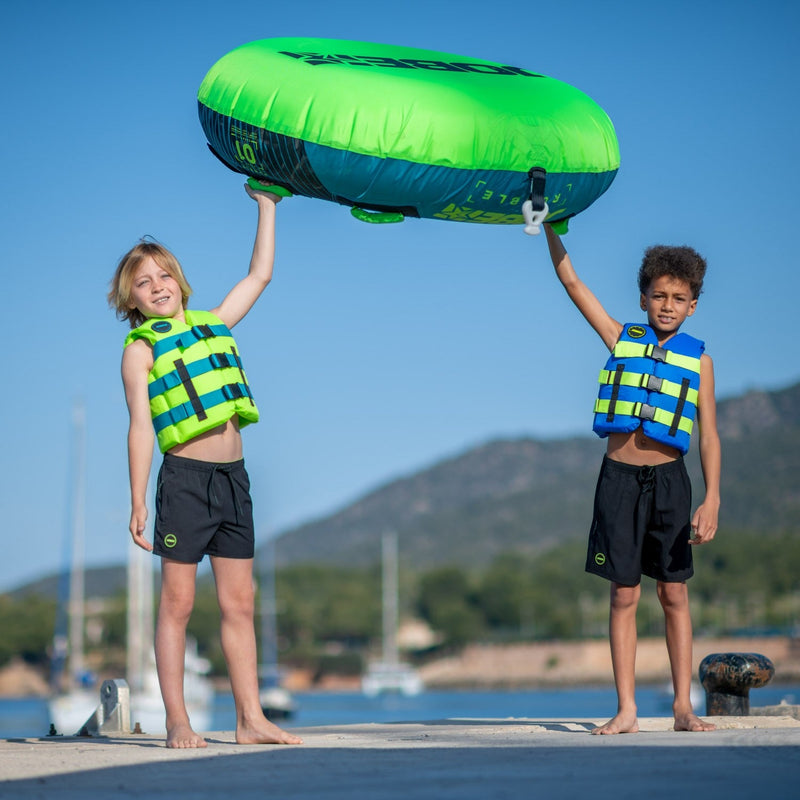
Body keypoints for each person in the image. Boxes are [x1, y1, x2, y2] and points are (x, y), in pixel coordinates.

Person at [108, 184, 303, 748]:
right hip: (186, 484)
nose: (157, 286)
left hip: (233, 481)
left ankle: (251, 719)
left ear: (179, 280)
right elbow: (140, 428)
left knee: (240, 603)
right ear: (130, 300)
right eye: (143, 283)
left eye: (163, 275)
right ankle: (178, 720)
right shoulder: (140, 351)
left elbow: (259, 275)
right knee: (178, 604)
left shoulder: (215, 322)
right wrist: (138, 500)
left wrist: (266, 207)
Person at [544, 224, 720, 734]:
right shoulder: (620, 337)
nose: (667, 305)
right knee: (623, 594)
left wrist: (712, 498)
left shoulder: (700, 362)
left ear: (693, 306)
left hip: (671, 482)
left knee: (674, 594)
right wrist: (551, 226)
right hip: (619, 479)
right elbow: (572, 282)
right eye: (659, 295)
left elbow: (709, 436)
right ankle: (626, 710)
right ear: (643, 298)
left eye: (679, 298)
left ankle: (683, 707)